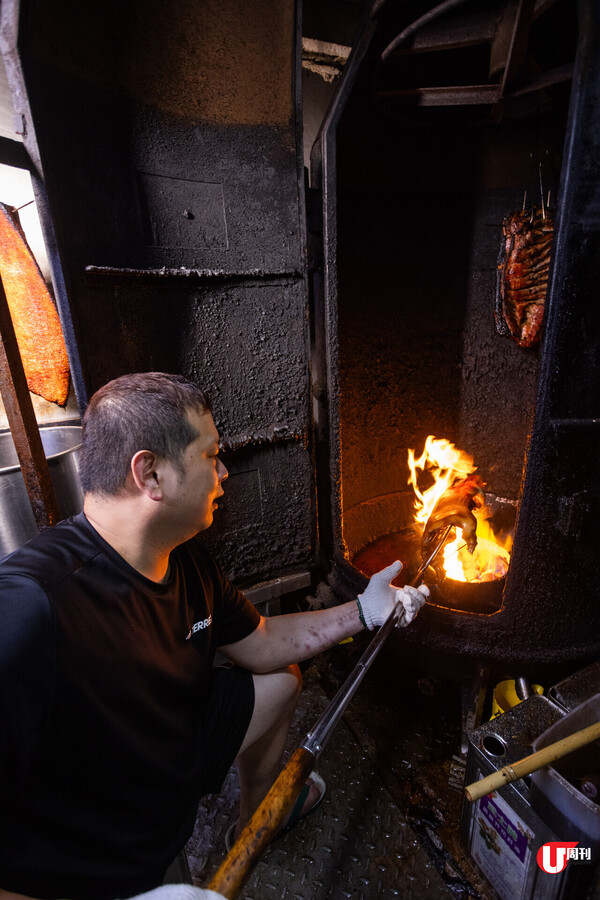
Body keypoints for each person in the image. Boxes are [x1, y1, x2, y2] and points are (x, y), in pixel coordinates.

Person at [0, 372, 428, 900]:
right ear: (150, 474)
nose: (224, 473)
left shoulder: (181, 557)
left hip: (169, 748)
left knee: (280, 681)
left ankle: (258, 819)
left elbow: (264, 641)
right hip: (106, 852)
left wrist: (363, 611)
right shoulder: (29, 606)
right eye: (210, 456)